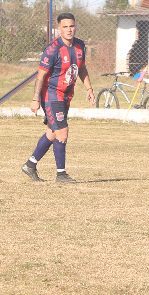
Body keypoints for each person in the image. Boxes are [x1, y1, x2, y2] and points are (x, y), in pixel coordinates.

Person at [21, 13, 94, 183]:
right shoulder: (52, 49)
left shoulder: (80, 45)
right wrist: (35, 99)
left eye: (71, 26)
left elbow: (81, 68)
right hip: (52, 95)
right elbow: (41, 76)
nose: (69, 30)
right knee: (62, 131)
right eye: (65, 27)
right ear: (59, 29)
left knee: (53, 133)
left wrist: (89, 88)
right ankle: (61, 174)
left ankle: (30, 165)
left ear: (75, 27)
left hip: (66, 95)